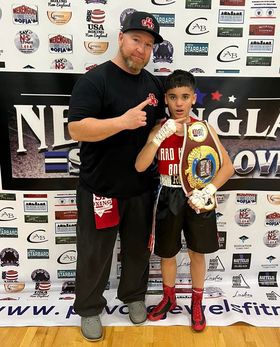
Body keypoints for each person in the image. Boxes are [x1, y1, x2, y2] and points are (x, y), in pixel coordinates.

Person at [67, 11, 165, 342]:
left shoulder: (154, 85)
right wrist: (120, 122)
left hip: (141, 188)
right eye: (137, 39)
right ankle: (90, 308)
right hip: (101, 189)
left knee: (137, 250)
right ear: (121, 37)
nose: (142, 49)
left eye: (149, 44)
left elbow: (155, 129)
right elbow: (77, 127)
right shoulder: (95, 81)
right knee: (95, 253)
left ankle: (134, 297)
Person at [135, 69, 234, 332]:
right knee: (167, 253)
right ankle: (169, 298)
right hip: (167, 194)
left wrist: (208, 190)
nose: (179, 103)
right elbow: (141, 165)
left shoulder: (203, 129)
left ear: (193, 99)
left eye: (185, 96)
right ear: (165, 99)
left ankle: (197, 302)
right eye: (173, 97)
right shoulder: (159, 128)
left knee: (196, 252)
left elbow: (228, 167)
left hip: (197, 195)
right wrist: (158, 137)